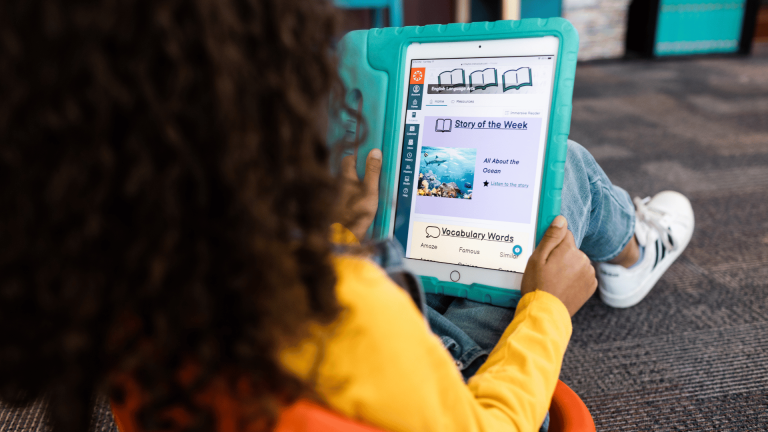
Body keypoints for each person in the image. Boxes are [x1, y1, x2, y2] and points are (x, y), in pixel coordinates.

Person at [0, 2, 694, 432]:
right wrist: (548, 311)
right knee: (563, 168)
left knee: (435, 227)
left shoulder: (119, 291)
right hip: (453, 382)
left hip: (355, 355)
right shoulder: (348, 313)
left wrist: (345, 244)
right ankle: (632, 253)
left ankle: (612, 243)